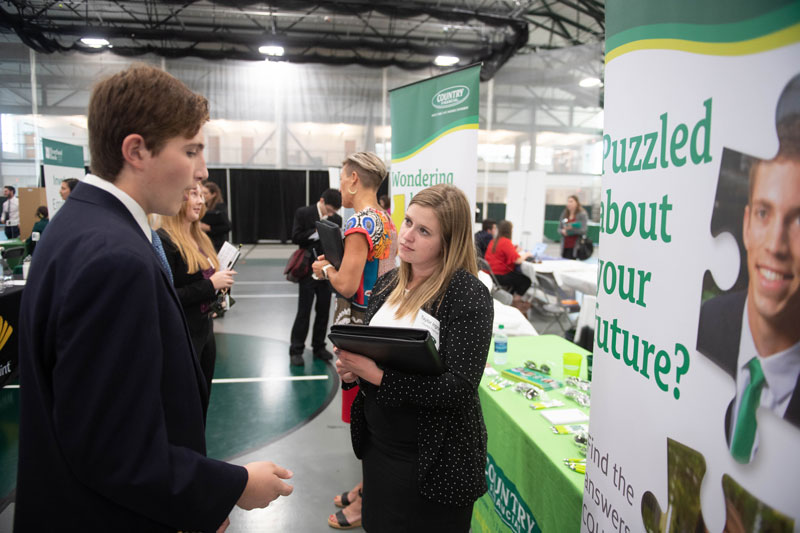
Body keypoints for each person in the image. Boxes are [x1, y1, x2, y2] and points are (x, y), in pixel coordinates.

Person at [16, 63, 293, 532]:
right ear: (136, 150)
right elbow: (113, 451)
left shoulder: (82, 224)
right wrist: (231, 486)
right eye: (190, 151)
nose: (201, 172)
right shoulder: (114, 258)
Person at [334, 184, 494, 532]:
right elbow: (375, 356)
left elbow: (458, 389)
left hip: (435, 460)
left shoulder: (466, 294)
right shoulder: (388, 284)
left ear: (447, 242)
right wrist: (353, 372)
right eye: (407, 222)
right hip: (380, 450)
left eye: (424, 231)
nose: (406, 236)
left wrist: (375, 375)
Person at [697, 112, 800, 463]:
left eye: (799, 220)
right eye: (763, 213)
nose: (776, 244)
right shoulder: (705, 323)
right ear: (745, 225)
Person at [311, 152, 396, 530]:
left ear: (354, 180)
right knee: (372, 412)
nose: (340, 185)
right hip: (380, 323)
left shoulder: (359, 223)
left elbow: (347, 284)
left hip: (359, 327)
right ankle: (367, 487)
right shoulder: (385, 219)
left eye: (342, 178)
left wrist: (327, 268)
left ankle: (368, 499)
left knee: (365, 417)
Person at [157, 183, 236, 403]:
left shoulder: (199, 237)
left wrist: (219, 288)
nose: (201, 201)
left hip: (204, 331)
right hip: (183, 336)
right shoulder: (164, 241)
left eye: (201, 195)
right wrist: (211, 285)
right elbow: (167, 297)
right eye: (194, 195)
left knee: (202, 399)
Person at [289, 188, 343, 366]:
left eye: (334, 211)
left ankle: (319, 346)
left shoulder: (336, 219)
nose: (331, 214)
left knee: (323, 310)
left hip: (327, 270)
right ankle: (296, 349)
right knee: (303, 311)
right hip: (307, 269)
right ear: (321, 201)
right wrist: (315, 232)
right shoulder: (303, 213)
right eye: (329, 210)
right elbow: (296, 237)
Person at [484, 219, 532, 310]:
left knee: (516, 279)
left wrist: (514, 250)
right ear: (509, 230)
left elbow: (502, 253)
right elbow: (517, 260)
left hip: (491, 274)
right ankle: (514, 302)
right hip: (500, 275)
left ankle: (511, 298)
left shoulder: (494, 241)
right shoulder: (506, 242)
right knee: (525, 281)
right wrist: (527, 254)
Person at [201, 180, 232, 251]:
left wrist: (209, 228)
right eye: (202, 193)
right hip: (205, 243)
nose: (203, 195)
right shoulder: (202, 206)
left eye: (205, 193)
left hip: (217, 244)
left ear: (214, 194)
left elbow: (227, 226)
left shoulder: (219, 208)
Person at [558, 195, 588, 259]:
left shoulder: (582, 214)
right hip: (565, 246)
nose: (569, 203)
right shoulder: (564, 213)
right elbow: (559, 228)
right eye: (568, 201)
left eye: (571, 201)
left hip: (576, 246)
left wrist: (569, 232)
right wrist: (562, 231)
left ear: (576, 203)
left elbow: (583, 229)